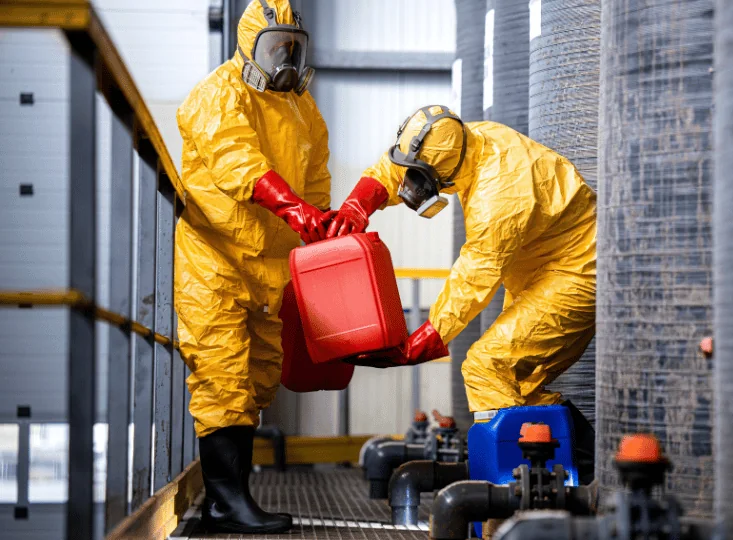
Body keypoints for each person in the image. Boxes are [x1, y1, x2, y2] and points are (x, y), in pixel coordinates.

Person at [328, 105, 598, 480]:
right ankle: (581, 471)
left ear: (444, 170)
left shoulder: (498, 192)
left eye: (420, 178)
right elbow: (403, 166)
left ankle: (512, 491)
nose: (411, 185)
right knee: (518, 382)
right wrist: (357, 205)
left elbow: (474, 277)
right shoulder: (459, 144)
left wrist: (420, 341)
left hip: (576, 272)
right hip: (539, 272)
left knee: (487, 366)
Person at [175, 0, 331, 533]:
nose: (285, 60)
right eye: (274, 48)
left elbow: (316, 181)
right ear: (248, 47)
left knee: (260, 376)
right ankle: (225, 502)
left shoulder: (301, 108)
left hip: (271, 265)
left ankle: (236, 496)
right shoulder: (217, 95)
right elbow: (237, 161)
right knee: (223, 374)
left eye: (292, 47)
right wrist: (293, 209)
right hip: (214, 258)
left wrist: (322, 225)